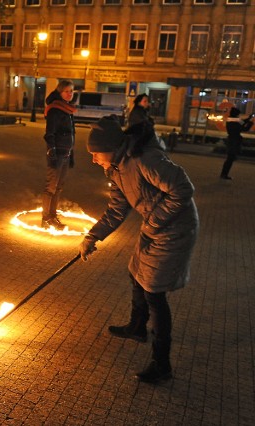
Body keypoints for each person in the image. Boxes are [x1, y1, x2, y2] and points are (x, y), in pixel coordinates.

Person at [79, 116, 199, 384]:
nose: (93, 160)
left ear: (111, 147)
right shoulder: (117, 169)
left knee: (154, 292)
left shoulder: (145, 159)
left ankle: (162, 364)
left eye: (95, 153)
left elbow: (183, 189)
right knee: (136, 272)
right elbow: (116, 209)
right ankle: (136, 327)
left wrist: (154, 220)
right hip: (156, 225)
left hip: (176, 228)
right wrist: (93, 235)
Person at [41, 79, 76, 229]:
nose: (70, 94)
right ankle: (45, 218)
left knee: (59, 186)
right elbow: (50, 134)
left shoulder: (67, 110)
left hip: (66, 153)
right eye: (67, 91)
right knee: (51, 186)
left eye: (72, 91)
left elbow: (71, 134)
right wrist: (52, 152)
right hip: (57, 153)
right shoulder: (55, 109)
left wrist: (72, 154)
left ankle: (53, 216)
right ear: (60, 92)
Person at [221, 107, 253, 180]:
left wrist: (249, 118)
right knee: (230, 158)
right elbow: (244, 128)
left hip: (232, 140)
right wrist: (250, 123)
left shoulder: (231, 119)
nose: (239, 116)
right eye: (238, 114)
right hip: (233, 141)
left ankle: (224, 174)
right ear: (235, 114)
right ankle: (224, 174)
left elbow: (242, 122)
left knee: (230, 158)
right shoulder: (234, 122)